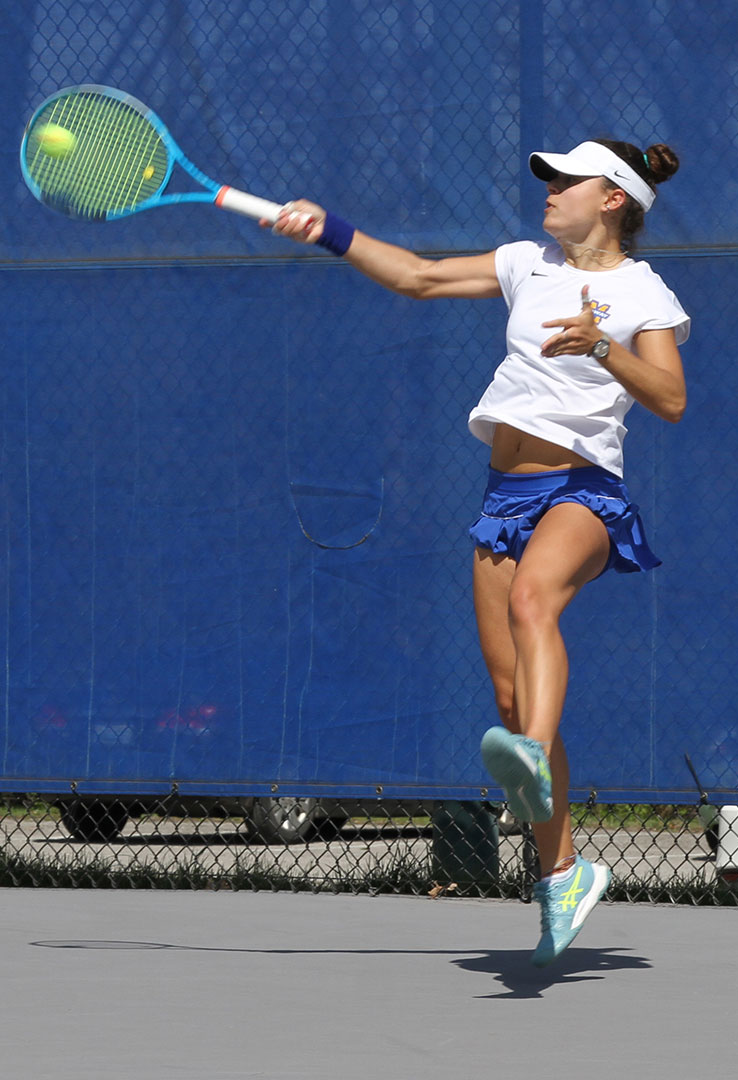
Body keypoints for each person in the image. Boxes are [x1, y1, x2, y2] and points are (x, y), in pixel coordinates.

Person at [263, 140, 689, 965]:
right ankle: (563, 870)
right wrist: (330, 230)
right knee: (506, 693)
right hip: (504, 498)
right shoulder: (525, 263)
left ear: (612, 199)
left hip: (584, 492)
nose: (550, 190)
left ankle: (529, 755)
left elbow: (670, 397)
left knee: (536, 604)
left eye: (568, 180)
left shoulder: (642, 291)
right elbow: (418, 277)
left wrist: (604, 346)